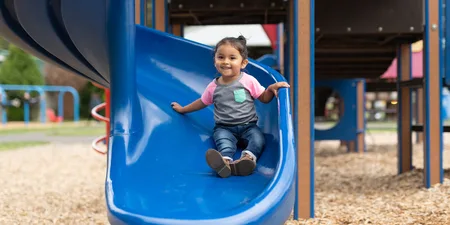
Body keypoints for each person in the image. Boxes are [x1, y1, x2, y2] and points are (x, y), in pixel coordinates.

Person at [171, 35, 290, 178]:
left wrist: (270, 89)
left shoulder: (248, 81)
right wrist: (183, 109)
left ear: (243, 63)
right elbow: (202, 102)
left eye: (232, 58)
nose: (226, 62)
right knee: (223, 142)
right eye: (221, 57)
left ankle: (247, 159)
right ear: (215, 61)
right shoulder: (213, 86)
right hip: (224, 127)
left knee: (258, 140)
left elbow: (264, 98)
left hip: (248, 126)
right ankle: (225, 163)